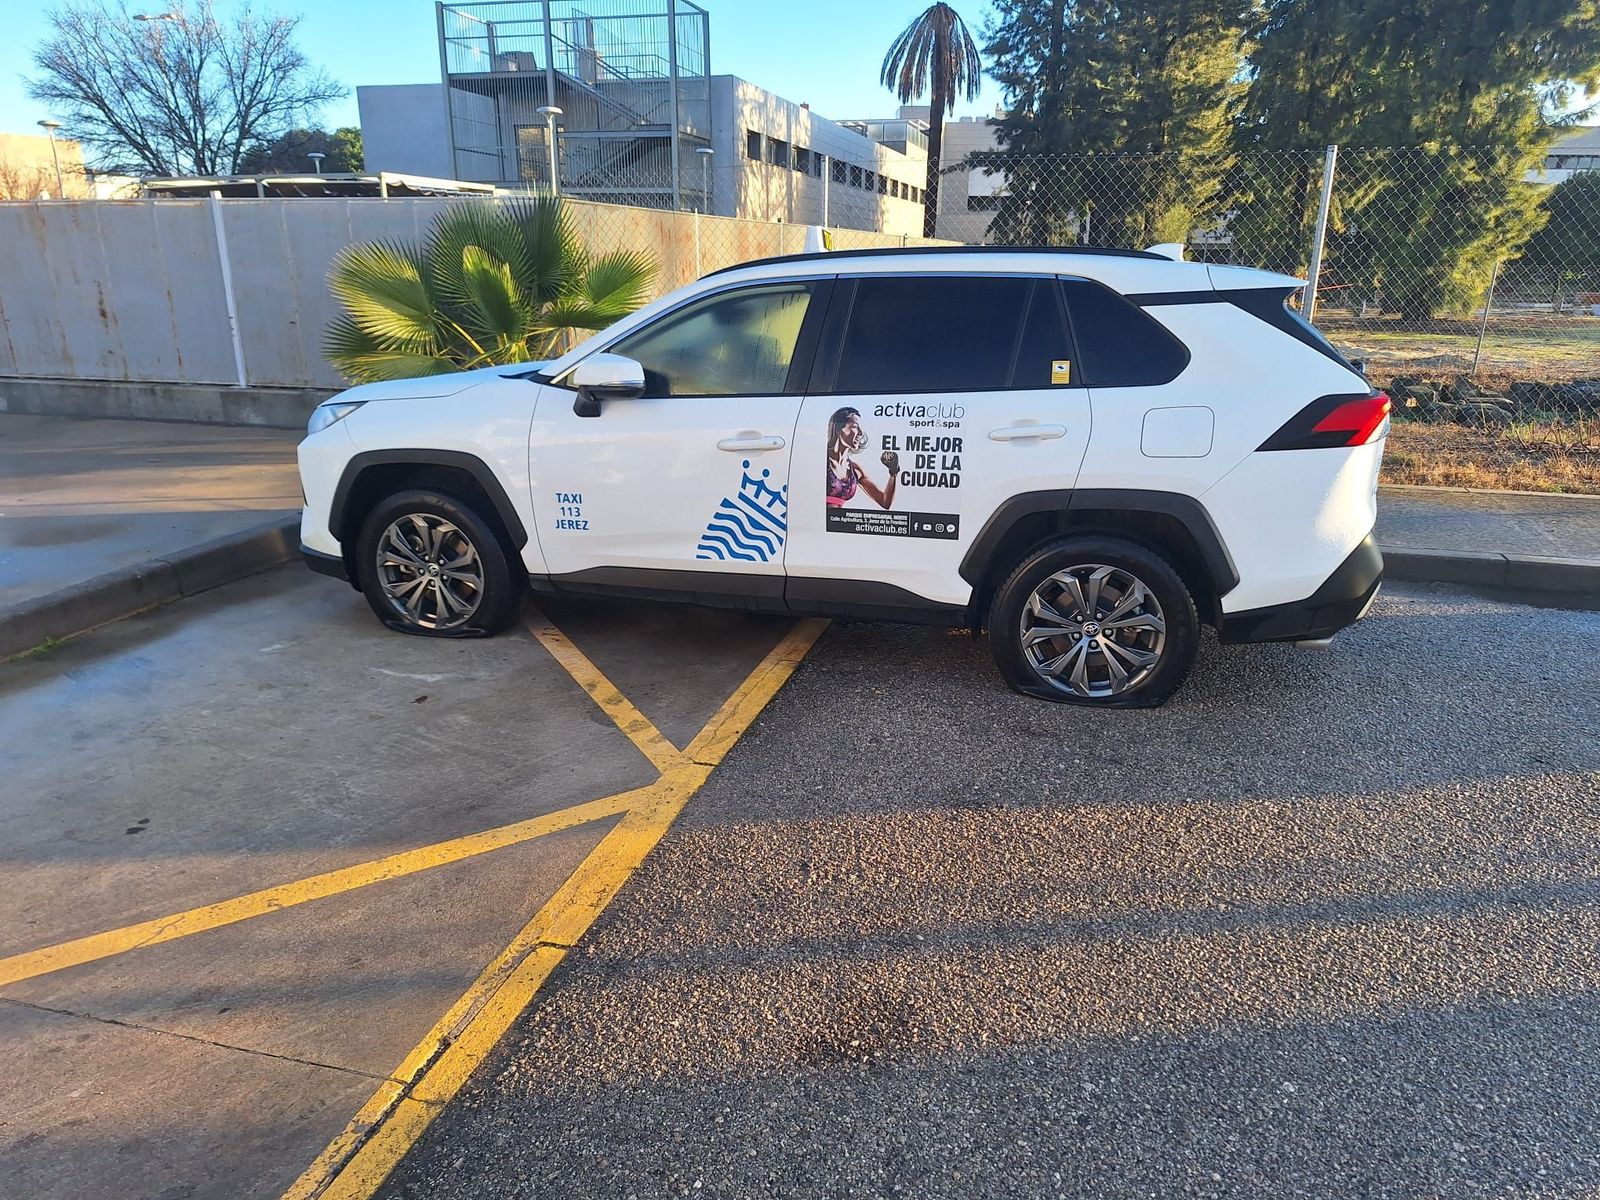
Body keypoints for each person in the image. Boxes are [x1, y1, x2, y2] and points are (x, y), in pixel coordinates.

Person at [826, 407, 899, 510]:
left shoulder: (855, 470)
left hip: (838, 524)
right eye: (855, 427)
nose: (860, 433)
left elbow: (885, 501)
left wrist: (893, 472)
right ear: (838, 428)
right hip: (814, 522)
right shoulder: (821, 462)